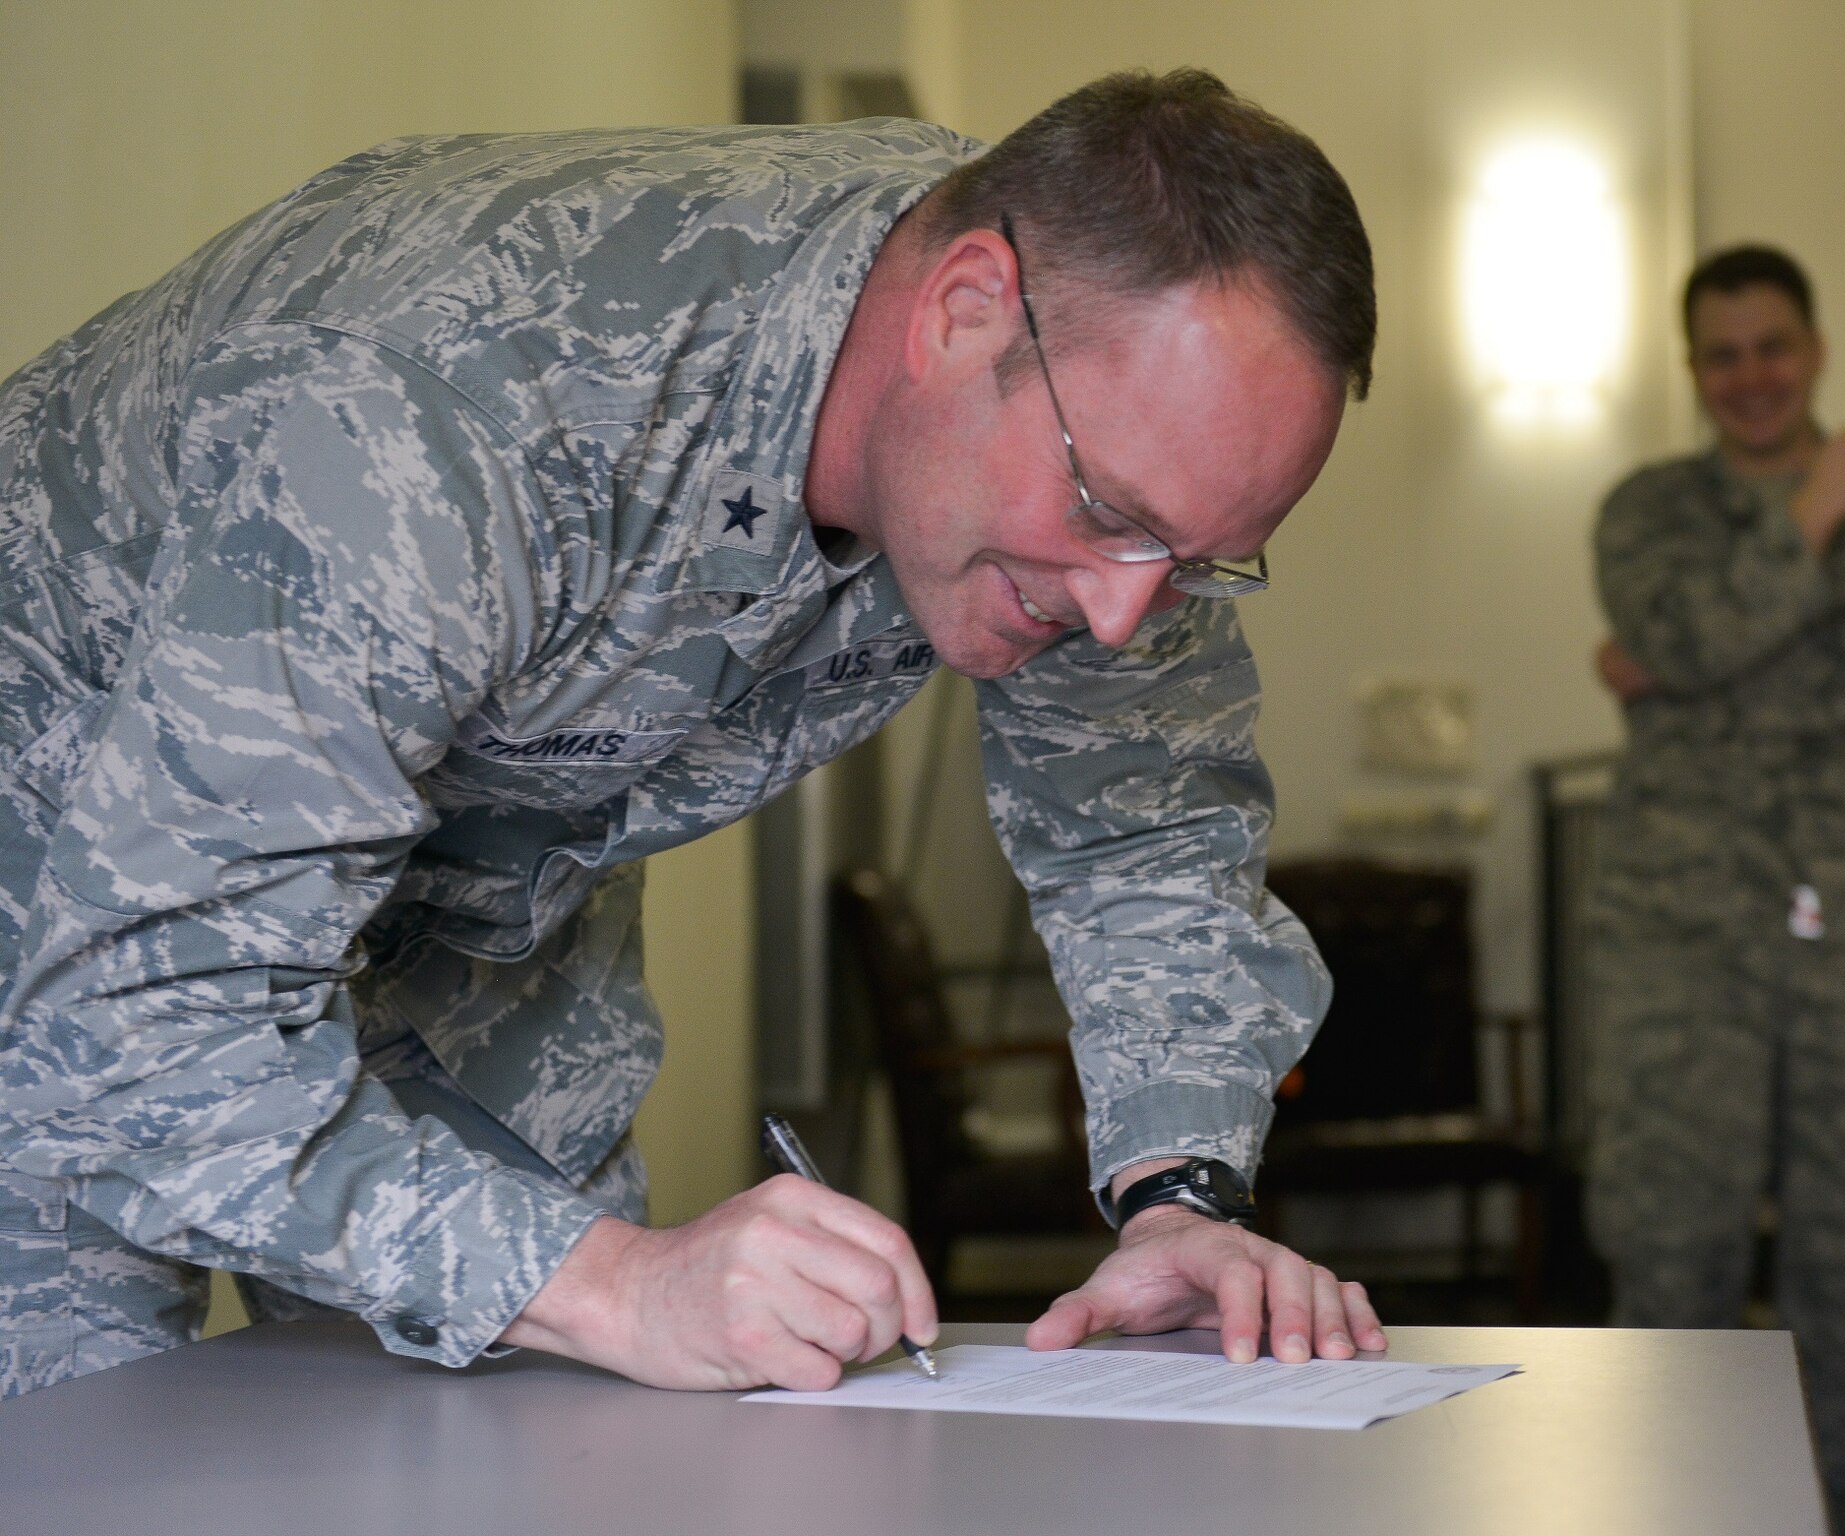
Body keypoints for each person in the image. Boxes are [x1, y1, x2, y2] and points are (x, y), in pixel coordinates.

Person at [0, 70, 1385, 1398]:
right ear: (963, 311)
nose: (1130, 614)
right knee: (90, 1430)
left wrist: (1177, 1201)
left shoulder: (1102, 407)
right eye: (1113, 518)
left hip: (465, 902)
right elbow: (139, 1028)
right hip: (64, 868)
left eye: (1202, 561)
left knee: (531, 1448)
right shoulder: (444, 412)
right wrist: (615, 1285)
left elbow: (1144, 832)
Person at [1585, 245, 1845, 1514]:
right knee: (1668, 1249)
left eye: (1772, 348)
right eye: (1723, 354)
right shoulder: (1644, 509)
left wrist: (1676, 658)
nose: (1751, 377)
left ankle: (1830, 1511)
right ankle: (1668, 1512)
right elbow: (1688, 634)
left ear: (1813, 353)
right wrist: (1808, 528)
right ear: (1694, 369)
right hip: (1678, 940)